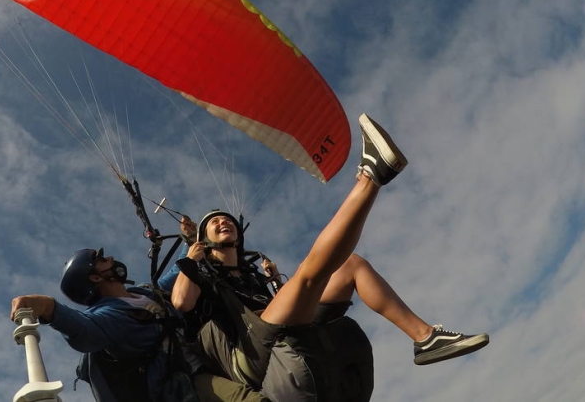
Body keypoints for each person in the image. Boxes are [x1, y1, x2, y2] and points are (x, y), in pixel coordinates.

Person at [171, 113, 489, 400]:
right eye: (214, 222)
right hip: (248, 356)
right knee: (310, 275)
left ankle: (426, 338)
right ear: (203, 239)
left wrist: (275, 285)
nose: (223, 221)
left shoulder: (253, 276)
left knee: (350, 266)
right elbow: (181, 305)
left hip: (276, 331)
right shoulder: (203, 276)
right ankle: (371, 176)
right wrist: (191, 260)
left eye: (227, 219)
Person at [11, 247, 272, 402]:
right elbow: (85, 331)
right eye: (102, 259)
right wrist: (49, 307)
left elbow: (171, 278)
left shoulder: (143, 294)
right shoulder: (111, 317)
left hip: (204, 354)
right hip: (186, 383)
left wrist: (187, 241)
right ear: (94, 276)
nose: (110, 258)